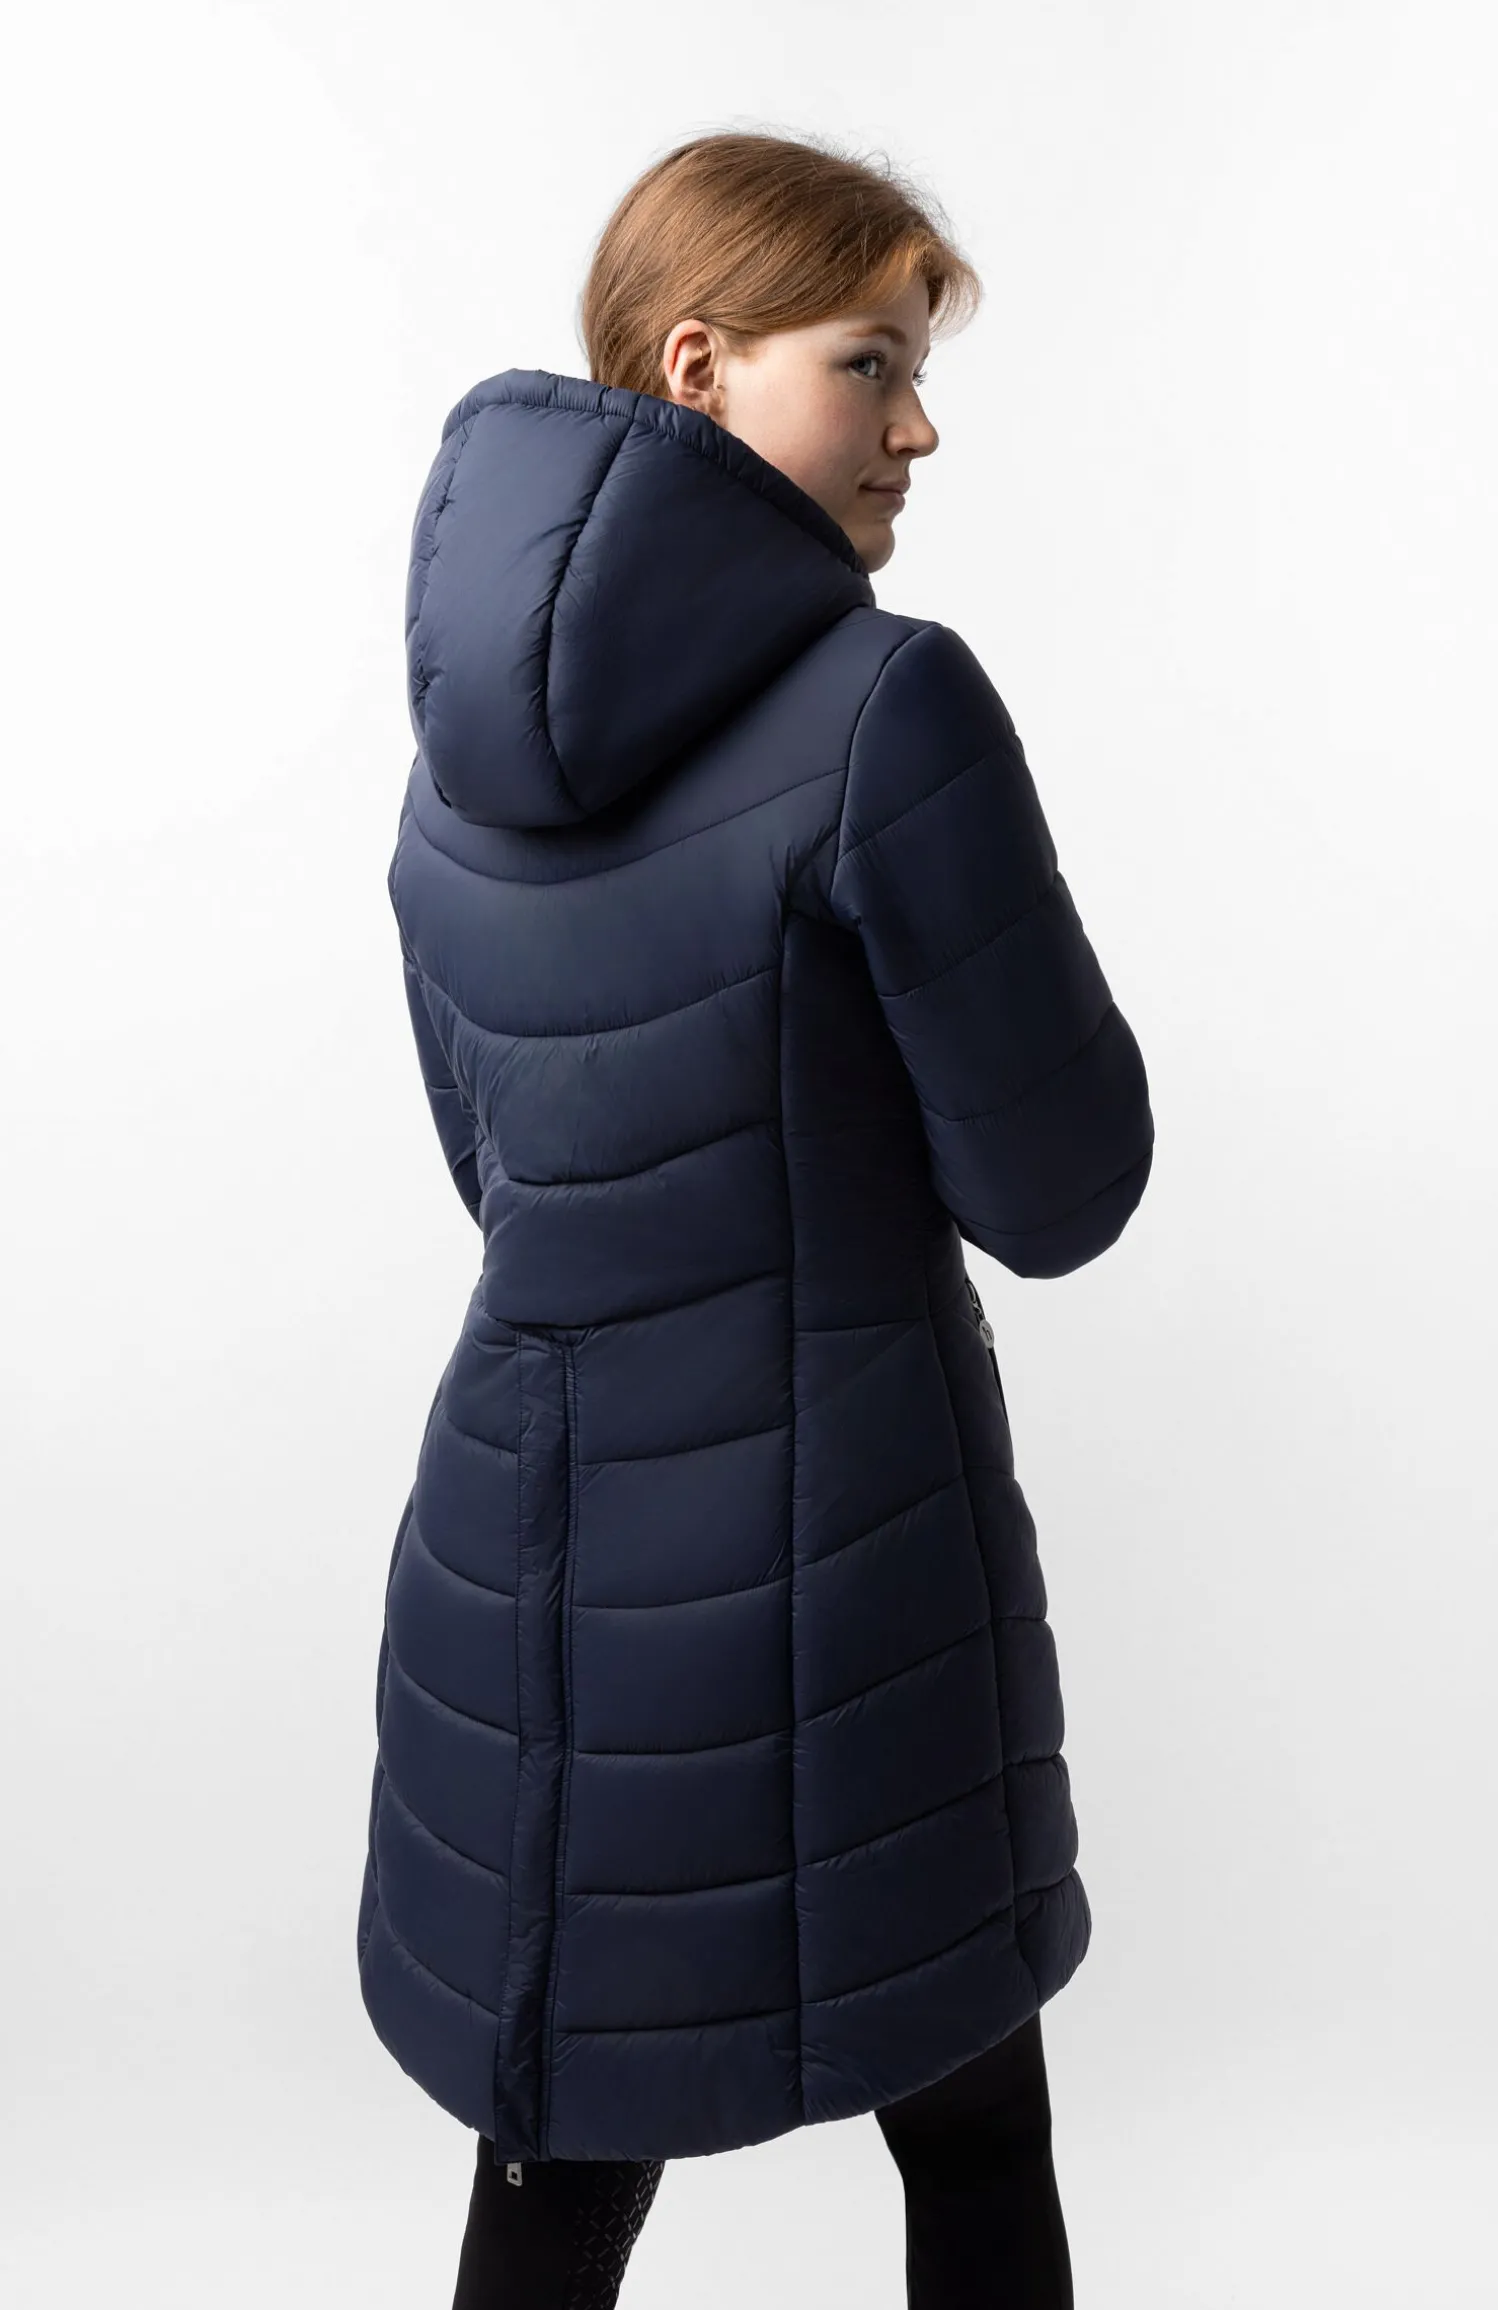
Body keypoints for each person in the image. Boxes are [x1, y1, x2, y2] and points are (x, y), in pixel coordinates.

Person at [357, 129, 1155, 2308]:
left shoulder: (448, 759)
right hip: (841, 1565)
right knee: (970, 2120)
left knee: (556, 2152)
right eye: (871, 362)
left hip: (527, 1569)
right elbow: (1061, 1189)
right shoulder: (888, 704)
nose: (917, 427)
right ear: (698, 365)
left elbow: (503, 1173)